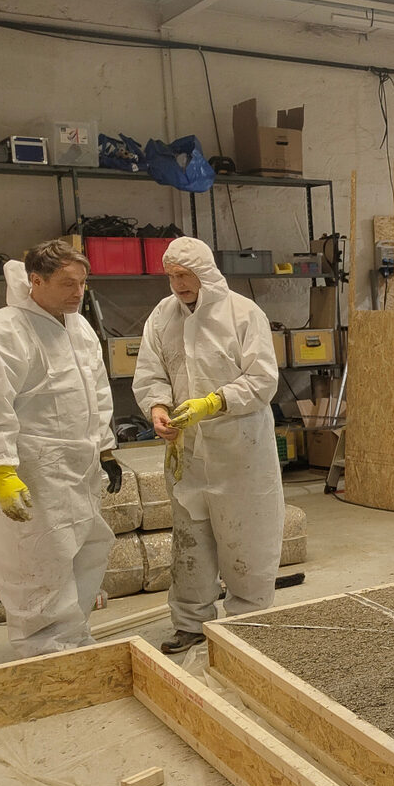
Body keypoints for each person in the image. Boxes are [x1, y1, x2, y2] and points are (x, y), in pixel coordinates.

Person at [0, 243, 122, 658]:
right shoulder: (2, 330)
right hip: (34, 466)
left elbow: (98, 390)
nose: (78, 293)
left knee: (86, 549)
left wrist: (106, 449)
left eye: (83, 283)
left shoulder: (78, 326)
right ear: (35, 281)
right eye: (68, 284)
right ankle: (42, 650)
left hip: (81, 463)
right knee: (38, 558)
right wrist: (2, 469)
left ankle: (72, 637)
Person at [133, 237, 283, 654]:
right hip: (187, 447)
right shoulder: (163, 317)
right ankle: (190, 623)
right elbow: (150, 372)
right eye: (172, 276)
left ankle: (248, 620)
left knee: (247, 534)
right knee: (190, 537)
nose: (178, 284)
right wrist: (158, 407)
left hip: (240, 446)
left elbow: (263, 379)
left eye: (185, 275)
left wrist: (217, 401)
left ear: (205, 272)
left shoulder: (242, 313)